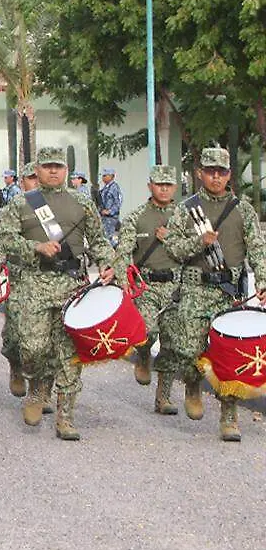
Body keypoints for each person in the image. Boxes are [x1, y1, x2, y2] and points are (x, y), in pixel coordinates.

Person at [0, 146, 114, 440]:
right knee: (32, 349)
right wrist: (35, 247)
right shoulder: (21, 203)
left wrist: (109, 263)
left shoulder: (82, 203)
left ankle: (66, 416)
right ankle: (37, 386)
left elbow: (99, 241)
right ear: (38, 169)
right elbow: (4, 239)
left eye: (58, 166)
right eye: (47, 167)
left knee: (69, 355)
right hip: (33, 284)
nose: (53, 171)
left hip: (72, 285)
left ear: (66, 171)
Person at [164, 147, 266, 441]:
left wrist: (262, 279)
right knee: (189, 350)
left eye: (221, 172)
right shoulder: (186, 209)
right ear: (200, 173)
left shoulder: (242, 209)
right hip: (196, 288)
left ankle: (229, 418)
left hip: (229, 291)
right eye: (210, 171)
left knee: (229, 356)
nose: (216, 177)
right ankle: (193, 383)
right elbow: (172, 248)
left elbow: (256, 249)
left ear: (229, 175)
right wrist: (199, 241)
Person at [113, 165, 183, 404]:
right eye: (159, 184)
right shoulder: (136, 216)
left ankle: (163, 396)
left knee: (172, 343)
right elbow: (123, 252)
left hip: (177, 286)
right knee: (147, 331)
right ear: (150, 186)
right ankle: (143, 353)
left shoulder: (185, 216)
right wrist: (123, 281)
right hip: (147, 285)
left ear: (175, 187)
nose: (163, 189)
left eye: (168, 185)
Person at [0, 162, 41, 399]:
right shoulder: (13, 210)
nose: (36, 182)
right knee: (15, 336)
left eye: (39, 177)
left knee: (48, 340)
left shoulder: (55, 209)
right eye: (31, 178)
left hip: (51, 279)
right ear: (22, 182)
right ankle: (16, 366)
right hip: (19, 279)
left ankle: (41, 390)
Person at [98, 167, 123, 245]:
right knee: (104, 238)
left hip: (111, 218)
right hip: (104, 218)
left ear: (111, 176)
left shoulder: (114, 187)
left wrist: (110, 211)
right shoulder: (105, 188)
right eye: (103, 176)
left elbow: (118, 202)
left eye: (105, 175)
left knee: (109, 239)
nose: (103, 177)